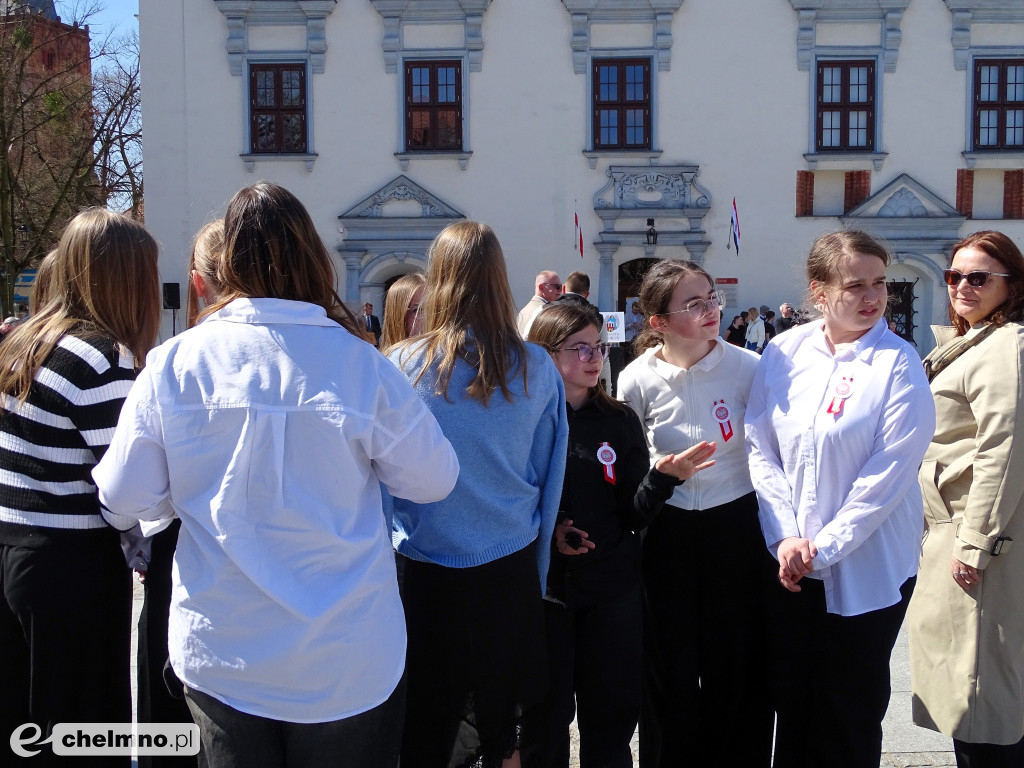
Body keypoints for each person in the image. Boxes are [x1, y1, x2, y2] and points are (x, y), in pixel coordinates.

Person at [93, 181, 459, 768]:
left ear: (224, 264)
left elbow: (123, 493)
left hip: (226, 647)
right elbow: (434, 479)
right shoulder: (360, 364)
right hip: (344, 654)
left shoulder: (177, 363)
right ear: (312, 259)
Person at [746, 230, 936, 768]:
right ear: (819, 291)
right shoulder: (783, 351)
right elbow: (762, 449)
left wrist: (820, 550)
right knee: (795, 703)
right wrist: (785, 537)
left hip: (865, 568)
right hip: (790, 565)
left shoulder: (899, 365)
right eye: (855, 285)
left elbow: (886, 480)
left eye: (880, 283)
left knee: (849, 709)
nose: (873, 297)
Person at [389, 221, 568, 768]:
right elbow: (547, 479)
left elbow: (384, 479)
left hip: (422, 565)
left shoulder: (400, 365)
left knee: (424, 724)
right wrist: (536, 574)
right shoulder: (536, 366)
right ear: (500, 278)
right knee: (503, 732)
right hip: (507, 568)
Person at [521, 301, 716, 768]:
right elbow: (508, 497)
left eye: (599, 347)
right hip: (546, 595)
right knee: (544, 722)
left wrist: (664, 478)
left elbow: (633, 513)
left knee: (610, 720)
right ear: (546, 355)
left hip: (611, 591)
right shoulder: (524, 417)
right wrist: (550, 532)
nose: (594, 358)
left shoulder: (618, 420)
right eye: (580, 348)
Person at [0, 208, 162, 766]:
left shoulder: (25, 345)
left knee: (25, 725)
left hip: (14, 547)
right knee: (80, 730)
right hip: (69, 567)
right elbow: (126, 482)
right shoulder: (100, 358)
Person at [617, 260, 773, 768]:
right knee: (668, 663)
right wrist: (660, 474)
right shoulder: (637, 377)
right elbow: (626, 456)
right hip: (669, 530)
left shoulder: (748, 367)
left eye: (711, 299)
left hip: (736, 524)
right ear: (657, 321)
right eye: (693, 304)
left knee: (737, 659)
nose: (710, 311)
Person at [908, 230, 1024, 768]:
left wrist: (975, 544)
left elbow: (1002, 449)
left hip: (976, 540)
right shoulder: (976, 340)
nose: (962, 287)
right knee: (968, 689)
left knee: (980, 692)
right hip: (951, 530)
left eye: (979, 278)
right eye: (955, 276)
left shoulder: (1006, 346)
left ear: (1012, 284)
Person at [136, 220, 226, 768]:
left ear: (197, 284)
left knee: (179, 718)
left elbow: (126, 493)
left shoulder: (170, 361)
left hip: (184, 552)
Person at [380, 272, 426, 351]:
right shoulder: (385, 362)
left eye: (433, 309)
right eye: (417, 310)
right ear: (398, 316)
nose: (431, 317)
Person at [517, 269, 562, 336]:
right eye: (557, 287)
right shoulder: (544, 311)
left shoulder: (523, 311)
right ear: (541, 287)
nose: (560, 290)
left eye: (561, 286)